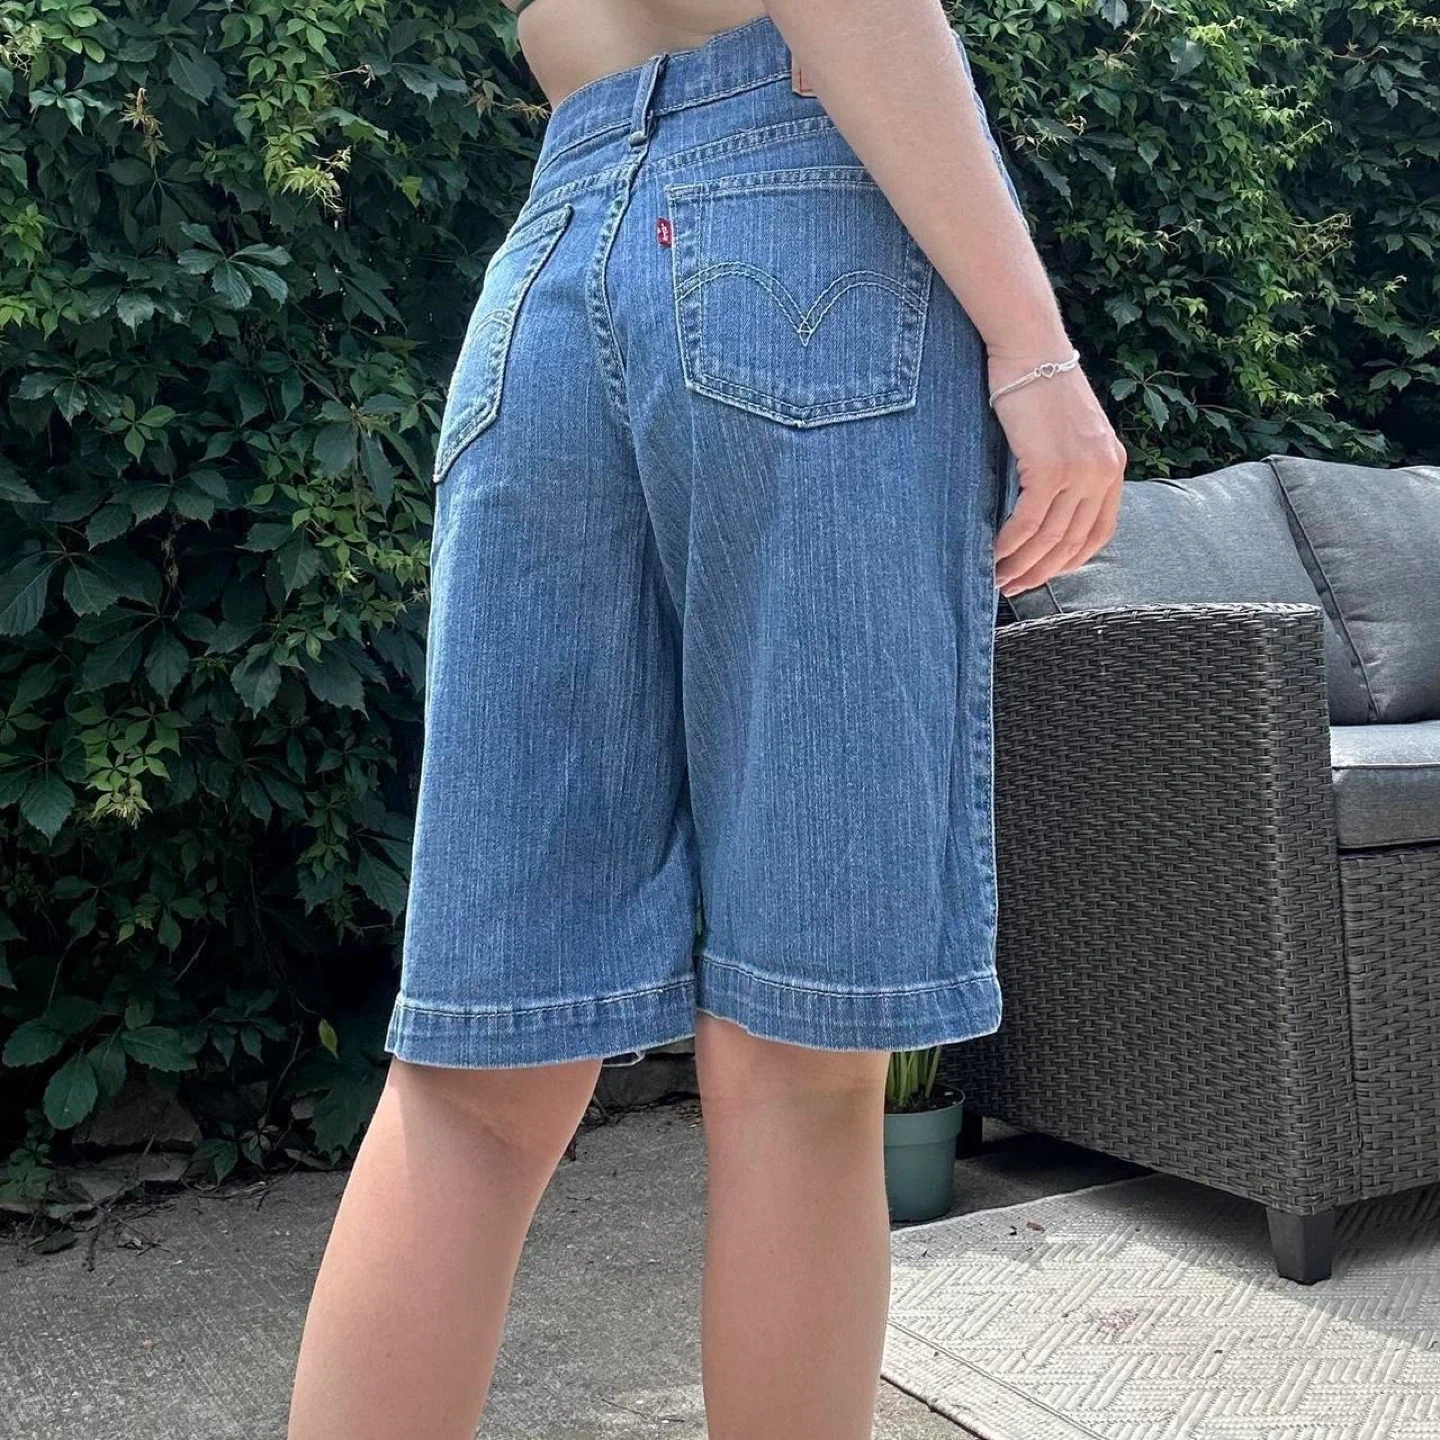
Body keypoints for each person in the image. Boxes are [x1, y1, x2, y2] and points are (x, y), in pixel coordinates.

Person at [286, 0, 1126, 1436]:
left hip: (553, 261)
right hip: (800, 239)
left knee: (477, 1077)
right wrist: (1036, 352)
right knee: (802, 1067)